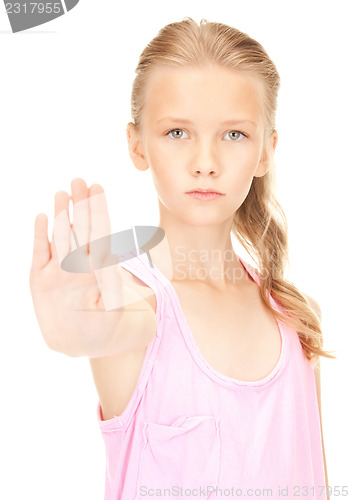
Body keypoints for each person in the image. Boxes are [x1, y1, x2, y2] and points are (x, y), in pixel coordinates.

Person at [29, 17, 336, 500]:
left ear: (265, 153)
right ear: (137, 144)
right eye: (177, 133)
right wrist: (76, 331)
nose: (205, 160)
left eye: (234, 134)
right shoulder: (134, 306)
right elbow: (108, 329)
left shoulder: (297, 319)